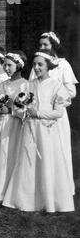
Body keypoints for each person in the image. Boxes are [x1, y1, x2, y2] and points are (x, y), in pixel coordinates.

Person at [2, 50, 75, 212]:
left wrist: (39, 113)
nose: (36, 67)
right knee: (28, 161)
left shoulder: (56, 85)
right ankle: (27, 200)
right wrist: (19, 110)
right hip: (29, 128)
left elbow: (59, 113)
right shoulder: (28, 85)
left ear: (48, 66)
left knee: (47, 163)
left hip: (47, 131)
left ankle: (49, 201)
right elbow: (21, 108)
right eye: (34, 64)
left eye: (40, 64)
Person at [29, 31, 78, 194]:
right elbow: (31, 87)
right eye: (40, 45)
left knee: (59, 149)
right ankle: (40, 188)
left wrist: (55, 95)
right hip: (38, 113)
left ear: (54, 46)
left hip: (56, 114)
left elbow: (71, 91)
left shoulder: (63, 65)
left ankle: (60, 188)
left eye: (46, 45)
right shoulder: (38, 64)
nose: (42, 47)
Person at [0, 51, 28, 203]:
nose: (7, 68)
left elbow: (25, 110)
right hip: (1, 123)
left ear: (19, 65)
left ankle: (10, 191)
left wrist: (10, 109)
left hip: (14, 125)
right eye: (5, 65)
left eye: (10, 65)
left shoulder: (25, 84)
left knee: (11, 154)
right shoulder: (3, 85)